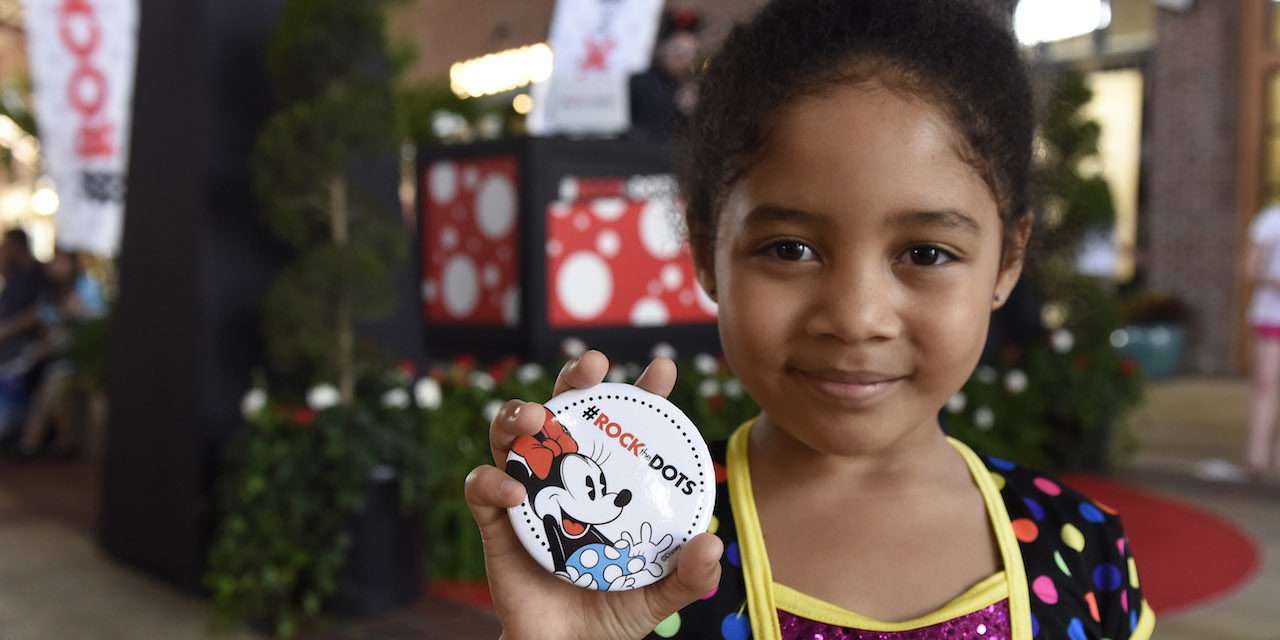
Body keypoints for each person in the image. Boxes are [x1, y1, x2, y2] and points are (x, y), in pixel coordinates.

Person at [465, 1, 1155, 638]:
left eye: (926, 252)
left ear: (1007, 261)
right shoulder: (638, 556)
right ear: (707, 251)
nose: (855, 318)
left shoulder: (1080, 546)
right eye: (790, 249)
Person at [18, 249, 107, 456]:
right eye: (53, 261)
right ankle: (45, 444)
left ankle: (32, 446)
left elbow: (96, 327)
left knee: (52, 386)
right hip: (58, 358)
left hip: (83, 362)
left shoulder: (86, 290)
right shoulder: (51, 292)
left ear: (72, 264)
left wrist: (76, 312)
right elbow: (45, 323)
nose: (53, 265)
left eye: (59, 260)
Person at [1243, 200, 1280, 479]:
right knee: (1265, 381)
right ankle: (1257, 456)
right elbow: (1249, 268)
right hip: (1272, 313)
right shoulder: (1271, 218)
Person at [627, 8, 702, 141]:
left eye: (689, 54)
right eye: (677, 51)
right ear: (661, 50)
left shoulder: (692, 88)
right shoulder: (639, 83)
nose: (682, 59)